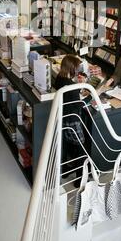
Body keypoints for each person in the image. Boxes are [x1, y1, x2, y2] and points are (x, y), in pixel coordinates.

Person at [55, 54, 87, 187]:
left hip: (63, 119)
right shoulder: (70, 84)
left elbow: (69, 97)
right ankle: (80, 179)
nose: (78, 71)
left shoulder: (59, 79)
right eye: (77, 68)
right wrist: (88, 94)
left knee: (67, 145)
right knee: (81, 148)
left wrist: (78, 87)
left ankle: (65, 170)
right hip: (73, 119)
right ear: (72, 68)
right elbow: (78, 105)